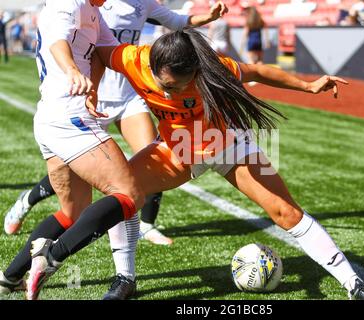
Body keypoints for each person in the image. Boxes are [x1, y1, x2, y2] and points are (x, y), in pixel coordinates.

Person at [22, 28, 364, 300]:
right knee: (125, 193)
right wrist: (92, 88)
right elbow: (102, 54)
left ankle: (354, 285)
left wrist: (309, 86)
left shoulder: (216, 69)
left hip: (227, 145)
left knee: (285, 213)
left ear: (196, 72)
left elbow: (259, 70)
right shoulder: (136, 59)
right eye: (164, 85)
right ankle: (125, 280)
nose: (169, 92)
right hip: (178, 151)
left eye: (178, 86)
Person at [1, 0, 228, 300]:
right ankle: (52, 256)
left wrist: (99, 82)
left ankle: (10, 276)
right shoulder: (69, 3)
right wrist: (72, 70)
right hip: (71, 117)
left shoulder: (94, 12)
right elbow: (58, 38)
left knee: (73, 211)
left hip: (54, 117)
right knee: (130, 193)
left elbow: (109, 53)